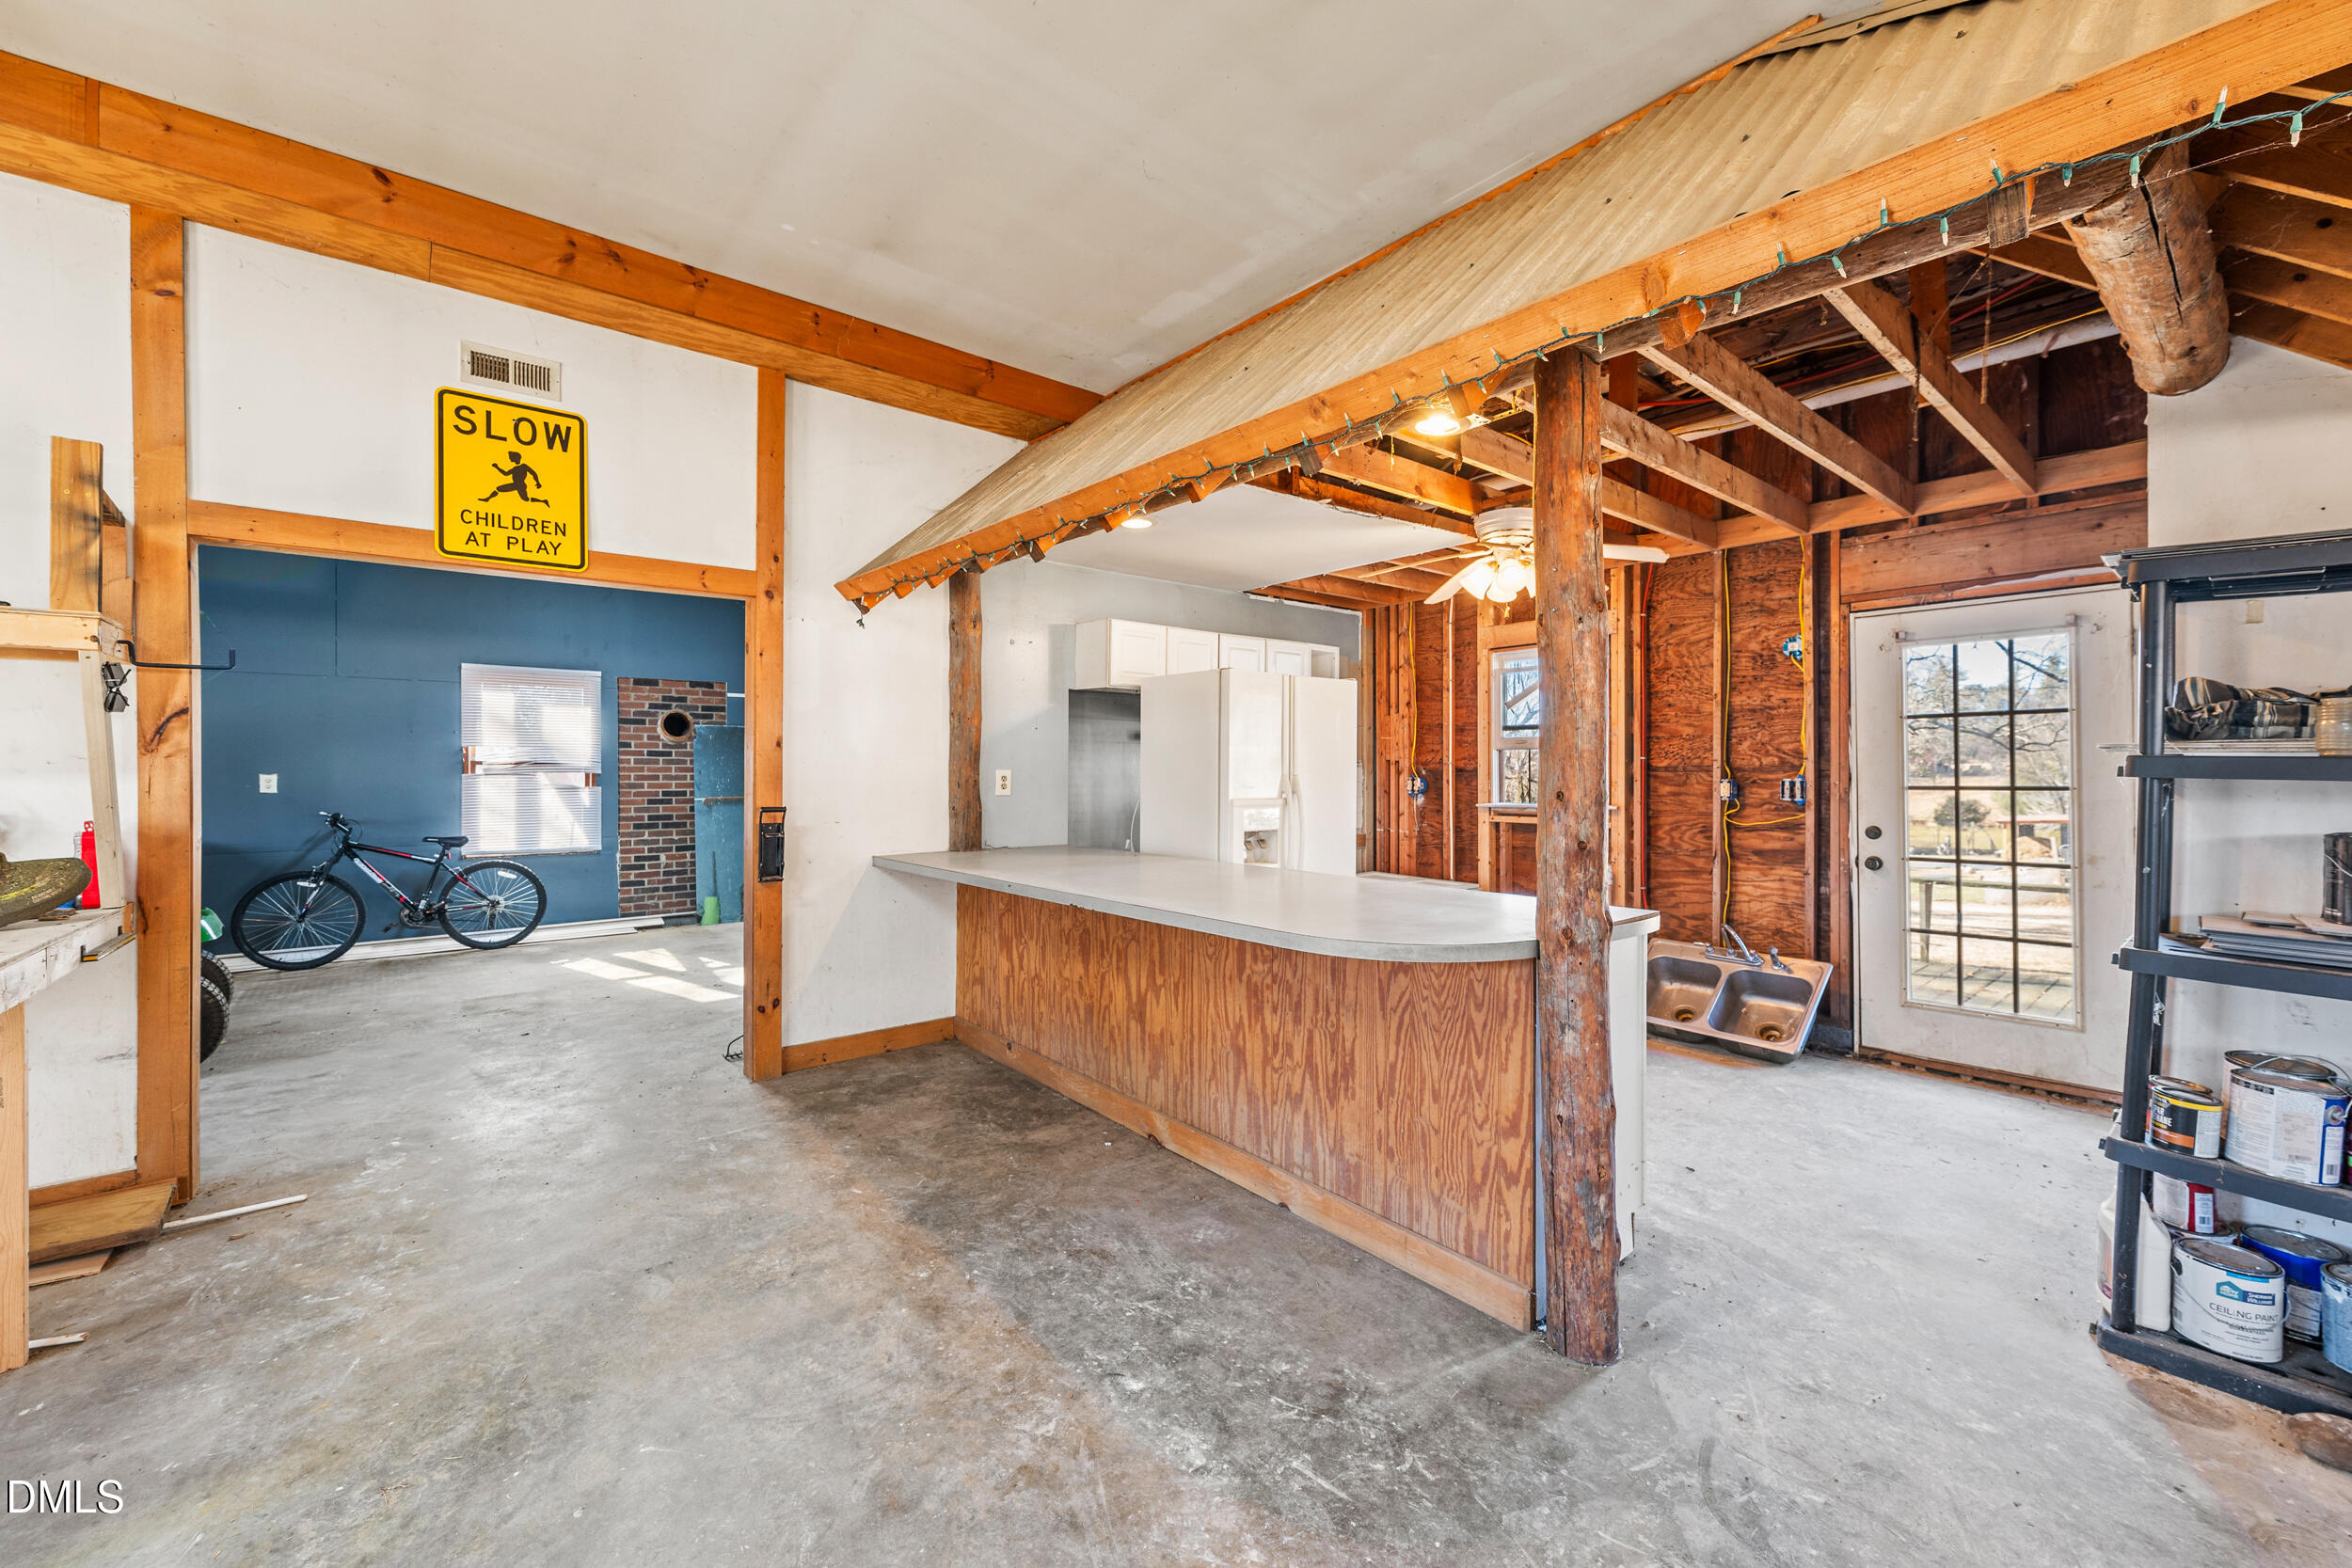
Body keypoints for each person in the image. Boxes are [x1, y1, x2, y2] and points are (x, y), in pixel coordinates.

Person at [480, 451, 546, 505]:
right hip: (515, 485)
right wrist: (497, 467)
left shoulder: (524, 466)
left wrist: (538, 482)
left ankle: (543, 501)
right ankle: (487, 499)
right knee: (498, 489)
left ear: (515, 458)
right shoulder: (515, 468)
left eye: (511, 457)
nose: (510, 459)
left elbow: (533, 473)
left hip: (521, 486)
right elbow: (505, 474)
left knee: (526, 499)